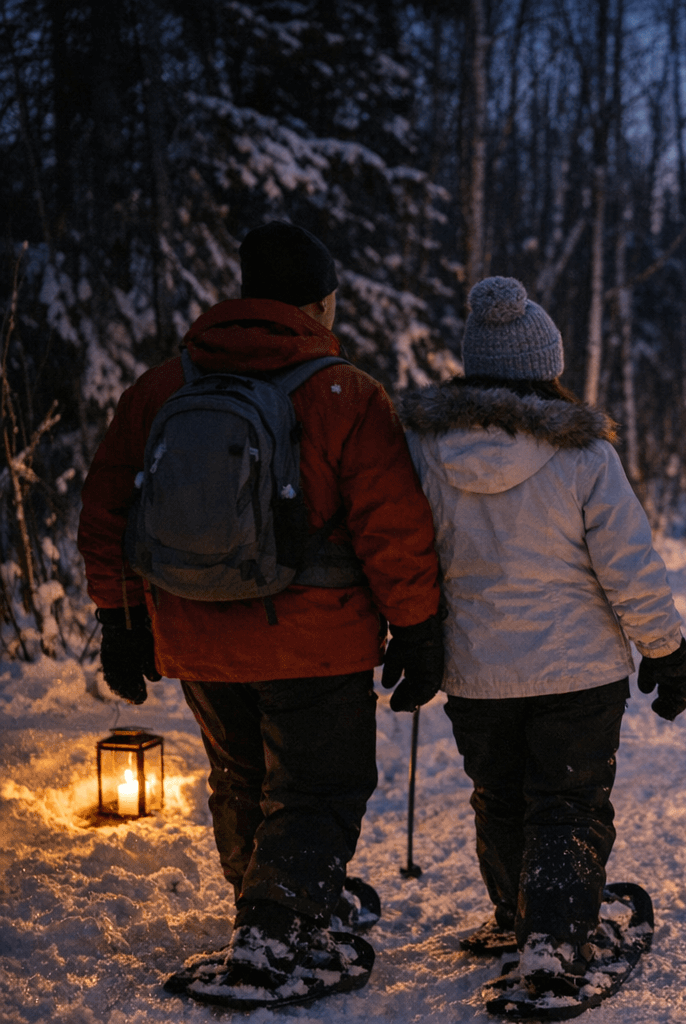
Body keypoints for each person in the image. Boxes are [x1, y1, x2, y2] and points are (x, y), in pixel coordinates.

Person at [78, 222, 444, 1003]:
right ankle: (276, 932)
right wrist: (416, 626)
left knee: (241, 774)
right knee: (318, 787)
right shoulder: (344, 392)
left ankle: (275, 903)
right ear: (319, 303)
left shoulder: (161, 386)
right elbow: (392, 523)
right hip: (317, 638)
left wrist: (117, 618)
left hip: (195, 627)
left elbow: (107, 508)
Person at [397, 277, 686, 1002]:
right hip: (577, 672)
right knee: (567, 804)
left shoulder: (424, 452)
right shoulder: (583, 454)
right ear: (547, 367)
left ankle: (519, 914)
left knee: (499, 796)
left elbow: (402, 551)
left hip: (476, 672)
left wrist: (407, 635)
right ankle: (554, 944)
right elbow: (628, 565)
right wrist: (665, 648)